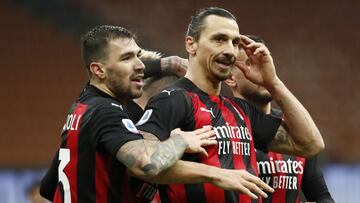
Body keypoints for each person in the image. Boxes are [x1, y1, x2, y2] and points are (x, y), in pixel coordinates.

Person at [40, 26, 273, 203]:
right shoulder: (107, 113)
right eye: (127, 58)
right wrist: (182, 142)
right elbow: (147, 164)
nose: (140, 65)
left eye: (139, 56)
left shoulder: (84, 106)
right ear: (98, 69)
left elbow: (48, 187)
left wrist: (168, 65)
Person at [137, 7, 324, 202]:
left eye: (234, 42)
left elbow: (310, 144)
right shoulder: (172, 99)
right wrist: (216, 174)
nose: (229, 50)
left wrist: (273, 83)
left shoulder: (240, 110)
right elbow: (139, 163)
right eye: (219, 39)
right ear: (191, 45)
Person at [224, 35, 335, 203]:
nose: (260, 70)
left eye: (262, 62)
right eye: (249, 63)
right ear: (231, 78)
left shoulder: (297, 131)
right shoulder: (222, 125)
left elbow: (321, 197)